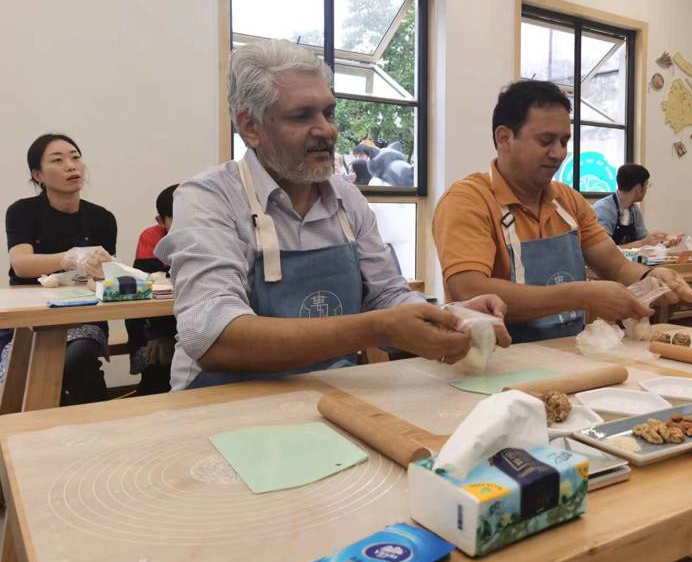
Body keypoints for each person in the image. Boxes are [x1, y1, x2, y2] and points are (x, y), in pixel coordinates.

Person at [156, 39, 510, 391]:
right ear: (251, 127)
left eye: (328, 113)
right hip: (221, 402)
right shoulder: (209, 198)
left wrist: (453, 317)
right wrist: (378, 328)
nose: (327, 130)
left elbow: (387, 296)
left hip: (328, 393)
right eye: (301, 116)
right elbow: (214, 336)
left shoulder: (347, 200)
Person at [432, 80, 692, 343]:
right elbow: (469, 289)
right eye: (545, 141)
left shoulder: (567, 201)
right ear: (504, 139)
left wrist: (650, 277)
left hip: (569, 351)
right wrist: (580, 295)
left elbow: (615, 265)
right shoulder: (468, 201)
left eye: (564, 141)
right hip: (495, 357)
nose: (558, 153)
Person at [5, 134, 116, 404]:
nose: (71, 165)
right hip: (28, 319)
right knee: (18, 375)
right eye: (57, 160)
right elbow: (21, 265)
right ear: (38, 175)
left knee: (74, 362)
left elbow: (107, 277)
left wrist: (103, 268)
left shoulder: (102, 218)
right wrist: (69, 258)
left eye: (75, 157)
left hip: (83, 317)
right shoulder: (22, 211)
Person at [126, 184, 179, 395]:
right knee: (157, 361)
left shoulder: (212, 235)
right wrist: (158, 334)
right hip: (152, 323)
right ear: (160, 221)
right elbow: (144, 289)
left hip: (190, 318)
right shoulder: (151, 238)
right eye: (177, 218)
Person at [592, 163, 682, 247]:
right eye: (647, 185)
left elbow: (644, 241)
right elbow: (603, 250)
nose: (646, 189)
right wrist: (643, 242)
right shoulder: (604, 209)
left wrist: (665, 243)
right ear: (638, 188)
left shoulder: (634, 209)